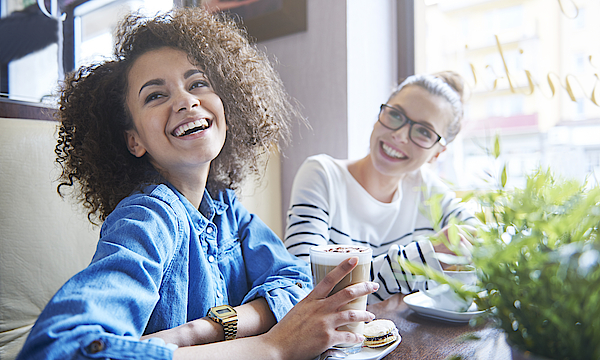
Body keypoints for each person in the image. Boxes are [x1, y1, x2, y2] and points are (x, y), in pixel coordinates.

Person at [16, 8, 378, 360]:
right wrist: (272, 348)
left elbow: (297, 283)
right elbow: (61, 349)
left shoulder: (224, 208)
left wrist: (203, 331)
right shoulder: (147, 218)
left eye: (198, 83)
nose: (186, 101)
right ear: (134, 140)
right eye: (155, 95)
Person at [284, 71, 478, 303]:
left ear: (437, 153)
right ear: (380, 114)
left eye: (424, 132)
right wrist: (418, 260)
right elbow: (303, 289)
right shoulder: (322, 175)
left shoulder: (426, 188)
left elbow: (482, 241)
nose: (400, 135)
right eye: (396, 115)